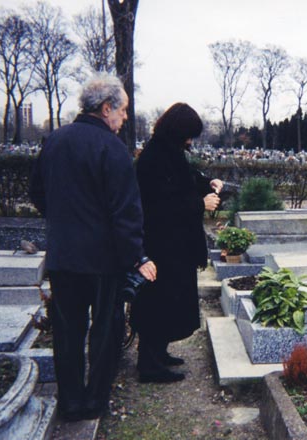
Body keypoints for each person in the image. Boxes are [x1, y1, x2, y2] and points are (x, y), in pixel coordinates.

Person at [29, 73, 157, 421]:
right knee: (105, 330)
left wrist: (65, 220)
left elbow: (37, 192)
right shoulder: (112, 149)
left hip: (63, 255)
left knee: (67, 332)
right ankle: (96, 400)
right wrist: (137, 256)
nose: (125, 117)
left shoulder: (55, 141)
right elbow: (126, 212)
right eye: (123, 110)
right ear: (105, 108)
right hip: (102, 260)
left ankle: (71, 402)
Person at [132, 102, 222, 383]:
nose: (190, 141)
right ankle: (149, 364)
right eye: (188, 135)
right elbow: (160, 205)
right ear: (178, 131)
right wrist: (200, 204)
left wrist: (209, 183)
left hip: (173, 245)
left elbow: (185, 181)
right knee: (157, 304)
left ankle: (159, 354)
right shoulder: (154, 158)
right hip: (161, 245)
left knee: (167, 303)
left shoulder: (167, 151)